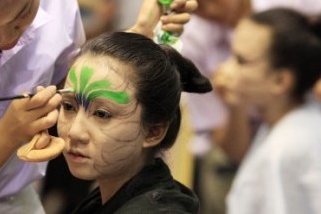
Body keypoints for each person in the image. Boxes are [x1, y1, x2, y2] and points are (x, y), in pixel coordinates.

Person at [0, 0, 197, 212]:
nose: (7, 41)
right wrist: (8, 133)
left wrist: (138, 37)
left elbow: (73, 82)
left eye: (23, 15)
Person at [156, 0, 321, 213]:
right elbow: (234, 149)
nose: (212, 11)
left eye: (241, 60)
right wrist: (234, 103)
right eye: (198, 6)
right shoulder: (194, 40)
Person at [56, 31, 212, 213]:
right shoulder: (105, 197)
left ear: (153, 132)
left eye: (101, 114)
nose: (75, 132)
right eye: (68, 106)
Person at [213, 7, 321, 214]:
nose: (224, 69)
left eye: (241, 61)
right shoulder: (291, 125)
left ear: (280, 80)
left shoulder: (286, 151)